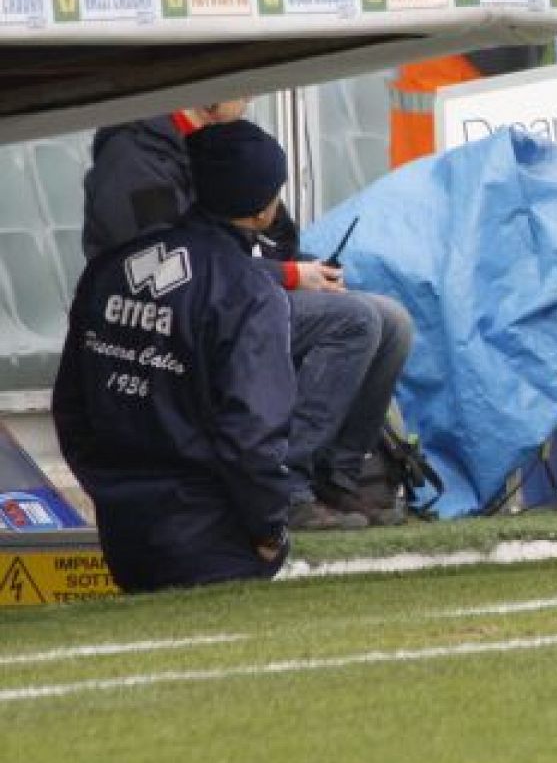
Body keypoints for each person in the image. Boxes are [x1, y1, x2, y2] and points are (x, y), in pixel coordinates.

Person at [82, 102, 412, 528]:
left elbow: (260, 241)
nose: (250, 102)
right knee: (355, 321)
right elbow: (166, 268)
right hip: (190, 316)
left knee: (393, 322)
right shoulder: (141, 157)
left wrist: (304, 270)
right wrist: (287, 275)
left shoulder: (216, 145)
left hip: (239, 290)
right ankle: (284, 485)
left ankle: (339, 476)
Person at [54, 121, 300, 592]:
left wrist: (109, 489)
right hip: (214, 539)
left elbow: (72, 406)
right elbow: (252, 435)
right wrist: (270, 527)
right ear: (262, 210)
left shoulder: (111, 269)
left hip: (124, 535)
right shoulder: (248, 292)